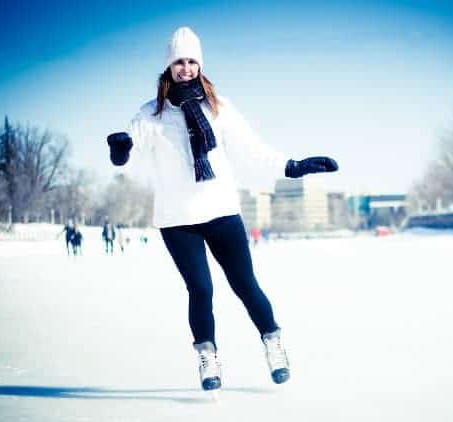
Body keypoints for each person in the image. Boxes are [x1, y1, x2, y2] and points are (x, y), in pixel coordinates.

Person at [106, 26, 338, 392]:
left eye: (192, 61)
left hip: (220, 211)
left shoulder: (218, 107)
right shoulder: (151, 114)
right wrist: (120, 150)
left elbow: (253, 149)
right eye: (179, 61)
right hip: (178, 220)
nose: (186, 67)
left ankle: (273, 342)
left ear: (200, 64)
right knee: (200, 289)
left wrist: (292, 166)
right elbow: (130, 147)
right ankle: (208, 356)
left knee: (245, 284)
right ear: (169, 66)